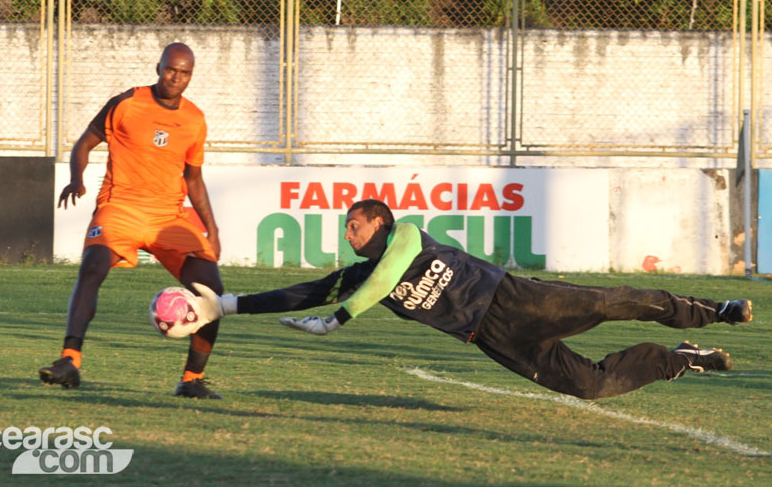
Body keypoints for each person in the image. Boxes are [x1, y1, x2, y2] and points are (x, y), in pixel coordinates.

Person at [187, 199, 753, 400]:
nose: (348, 236)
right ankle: (686, 358)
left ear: (379, 222)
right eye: (347, 230)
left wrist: (338, 319)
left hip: (516, 301)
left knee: (614, 301)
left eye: (355, 226)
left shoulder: (406, 234)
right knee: (593, 387)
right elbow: (299, 291)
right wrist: (226, 305)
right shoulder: (359, 276)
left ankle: (715, 311)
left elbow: (382, 282)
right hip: (494, 339)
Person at [39, 42, 225, 399]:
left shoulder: (194, 119)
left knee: (212, 292)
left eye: (184, 73)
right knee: (92, 269)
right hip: (120, 208)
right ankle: (69, 361)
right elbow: (84, 144)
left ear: (191, 75)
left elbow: (194, 179)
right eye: (171, 69)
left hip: (169, 216)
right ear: (158, 66)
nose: (176, 77)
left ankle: (191, 380)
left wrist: (211, 228)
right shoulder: (126, 102)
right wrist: (77, 177)